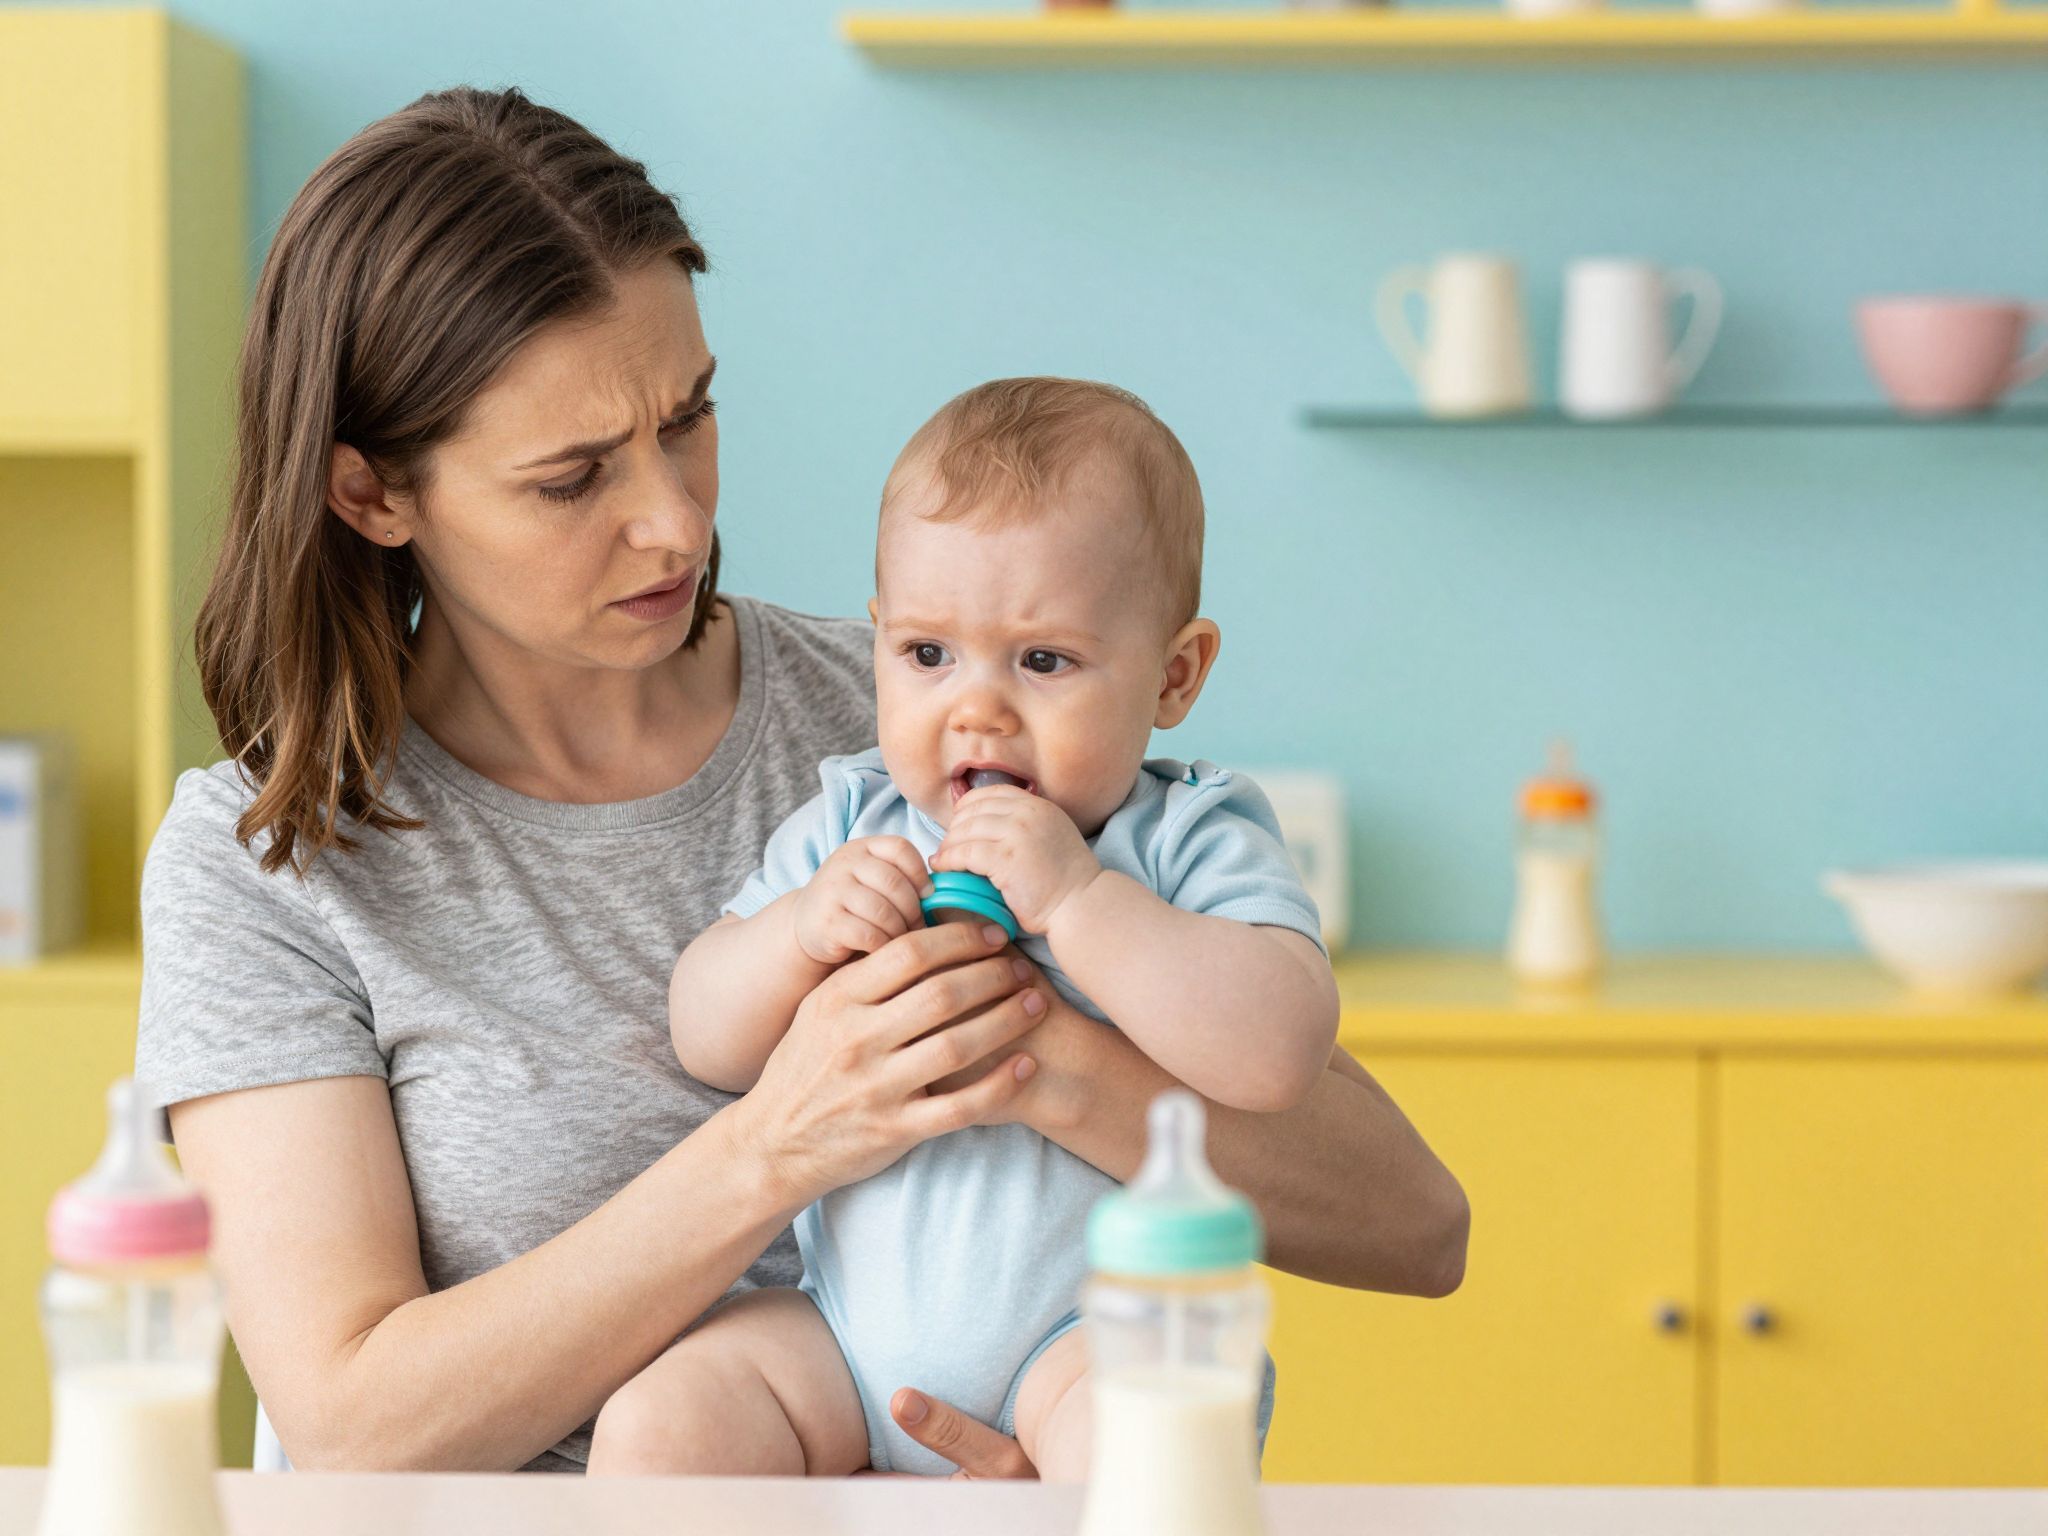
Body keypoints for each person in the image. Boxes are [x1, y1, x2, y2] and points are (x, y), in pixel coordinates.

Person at [136, 85, 1468, 1476]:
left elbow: (1412, 1225)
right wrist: (781, 1142)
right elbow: (352, 1424)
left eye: (688, 416)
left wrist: (1035, 1070)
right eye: (573, 479)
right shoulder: (265, 863)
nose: (673, 519)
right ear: (373, 496)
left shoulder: (939, 717)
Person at [631, 377, 1340, 1479]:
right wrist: (799, 934)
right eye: (926, 655)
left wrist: (1080, 903)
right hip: (842, 1343)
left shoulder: (1185, 833)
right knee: (670, 1417)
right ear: (876, 642)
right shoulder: (856, 820)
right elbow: (703, 1032)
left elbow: (1278, 1049)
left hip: (1087, 1340)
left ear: (1174, 672)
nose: (976, 708)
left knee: (1147, 1450)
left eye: (1042, 661)